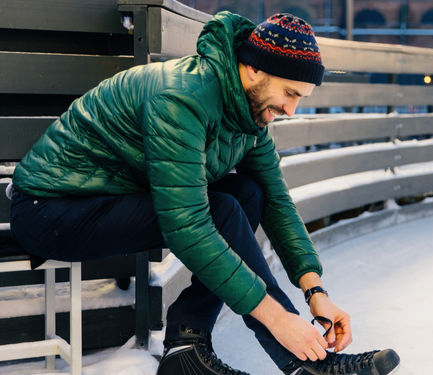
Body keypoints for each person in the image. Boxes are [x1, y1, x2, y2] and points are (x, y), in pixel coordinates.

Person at [8, 11, 399, 375]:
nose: (292, 109)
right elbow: (187, 226)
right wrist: (279, 319)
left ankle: (186, 345)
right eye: (290, 93)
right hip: (52, 211)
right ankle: (304, 364)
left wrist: (315, 291)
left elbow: (277, 201)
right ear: (253, 68)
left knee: (249, 194)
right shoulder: (182, 97)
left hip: (110, 199)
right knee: (225, 209)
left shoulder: (247, 112)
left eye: (301, 98)